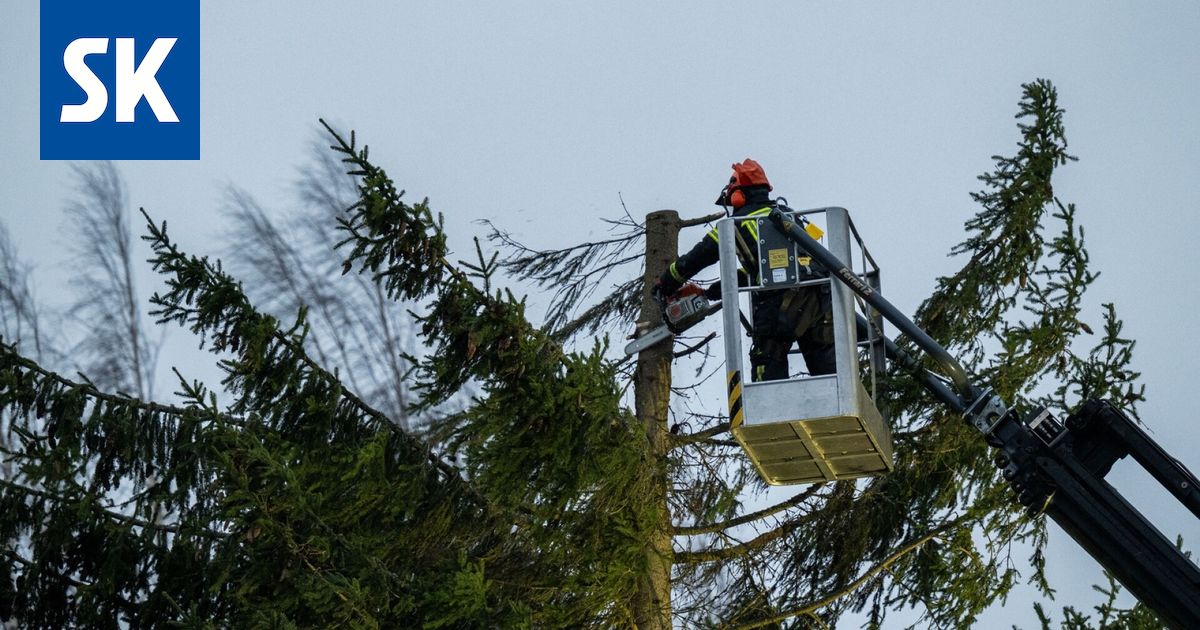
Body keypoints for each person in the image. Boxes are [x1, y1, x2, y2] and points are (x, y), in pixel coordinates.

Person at [655, 159, 836, 382]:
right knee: (826, 366)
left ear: (738, 195)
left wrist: (665, 283)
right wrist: (710, 292)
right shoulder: (789, 217)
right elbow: (755, 273)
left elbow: (698, 257)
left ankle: (770, 410)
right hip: (820, 297)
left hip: (779, 301)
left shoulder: (737, 223)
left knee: (767, 358)